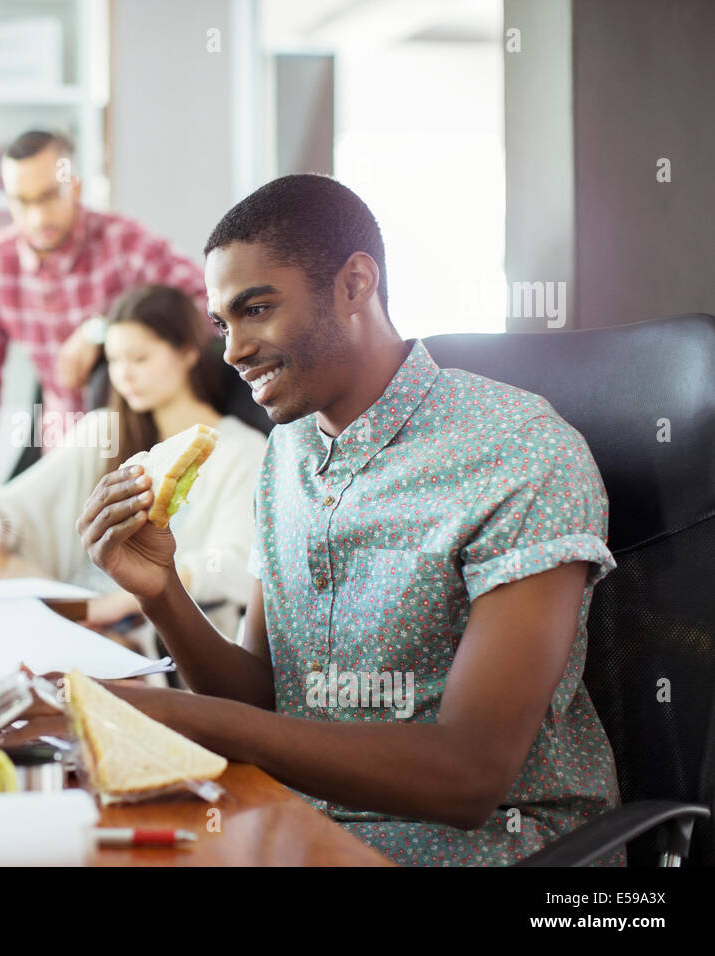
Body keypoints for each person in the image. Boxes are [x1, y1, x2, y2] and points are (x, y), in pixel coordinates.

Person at [69, 174, 624, 866]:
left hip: (486, 844)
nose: (233, 350)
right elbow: (272, 702)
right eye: (223, 324)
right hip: (303, 825)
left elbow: (470, 775)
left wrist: (178, 717)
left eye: (258, 309)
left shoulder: (519, 452)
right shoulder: (290, 452)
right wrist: (162, 594)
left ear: (355, 284)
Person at [0, 284, 266, 643]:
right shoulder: (106, 428)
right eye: (115, 361)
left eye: (139, 359)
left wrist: (122, 602)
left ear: (186, 353)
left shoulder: (241, 450)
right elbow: (22, 504)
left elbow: (235, 566)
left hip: (150, 634)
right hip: (81, 611)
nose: (124, 375)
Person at [0, 129, 205, 455]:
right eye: (23, 202)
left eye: (50, 196)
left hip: (144, 439)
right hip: (62, 444)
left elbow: (207, 307)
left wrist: (101, 328)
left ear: (76, 186)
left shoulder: (124, 242)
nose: (38, 217)